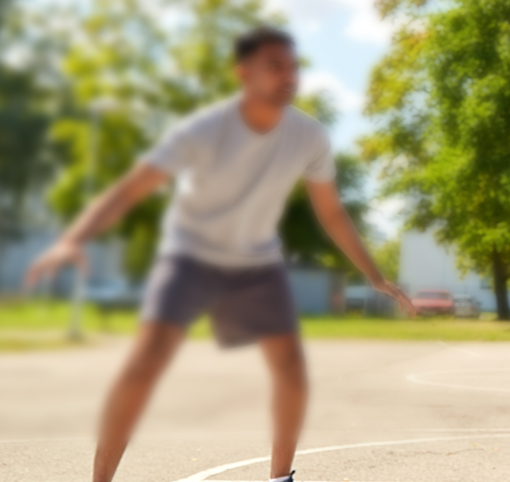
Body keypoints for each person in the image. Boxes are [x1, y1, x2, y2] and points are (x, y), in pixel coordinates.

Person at [25, 27, 416, 482]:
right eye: (275, 66)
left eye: (292, 67)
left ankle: (279, 480)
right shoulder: (205, 129)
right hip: (191, 255)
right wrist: (75, 237)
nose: (288, 76)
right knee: (143, 367)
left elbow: (330, 212)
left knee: (290, 371)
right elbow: (134, 186)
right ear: (244, 73)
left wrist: (374, 276)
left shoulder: (309, 136)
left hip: (255, 262)